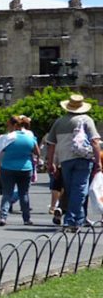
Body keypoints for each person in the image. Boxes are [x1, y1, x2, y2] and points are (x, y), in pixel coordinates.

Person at [45, 94, 101, 231]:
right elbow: (95, 141)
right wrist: (98, 161)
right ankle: (71, 220)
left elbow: (51, 144)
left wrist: (50, 163)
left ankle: (78, 219)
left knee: (71, 190)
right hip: (83, 158)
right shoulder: (86, 120)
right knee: (80, 190)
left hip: (65, 160)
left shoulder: (59, 122)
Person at [0, 115, 39, 226]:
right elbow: (37, 152)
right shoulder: (30, 137)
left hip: (8, 168)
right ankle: (26, 219)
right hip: (26, 168)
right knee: (24, 194)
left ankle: (3, 217)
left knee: (7, 193)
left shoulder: (8, 138)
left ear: (14, 125)